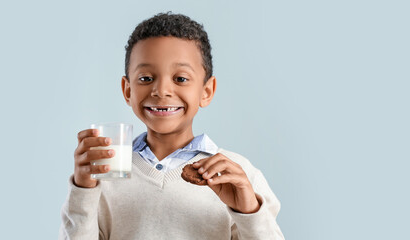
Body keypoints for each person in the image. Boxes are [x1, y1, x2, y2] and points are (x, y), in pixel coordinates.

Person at [59, 12, 284, 239]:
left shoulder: (237, 176)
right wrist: (83, 190)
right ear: (128, 90)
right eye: (146, 78)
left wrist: (248, 211)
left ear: (206, 92)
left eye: (181, 79)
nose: (162, 90)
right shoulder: (104, 174)